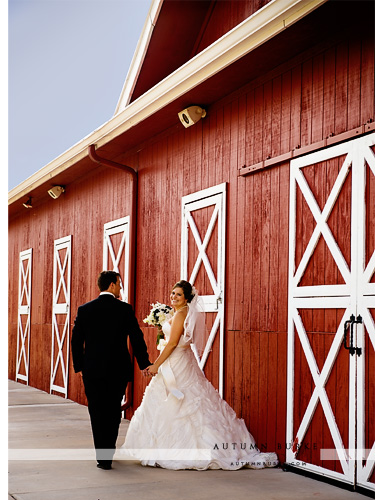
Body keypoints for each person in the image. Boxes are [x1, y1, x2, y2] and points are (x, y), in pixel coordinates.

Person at [121, 280, 278, 470]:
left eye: (178, 294)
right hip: (179, 360)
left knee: (182, 399)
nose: (174, 297)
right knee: (177, 397)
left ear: (187, 298)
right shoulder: (178, 314)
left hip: (178, 362)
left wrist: (156, 365)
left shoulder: (180, 314)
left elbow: (172, 344)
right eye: (172, 293)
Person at [71, 270, 151, 470]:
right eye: (119, 283)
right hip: (117, 369)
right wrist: (144, 363)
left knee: (96, 411)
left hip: (92, 369)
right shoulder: (124, 309)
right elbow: (136, 338)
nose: (120, 287)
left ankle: (103, 458)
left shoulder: (85, 309)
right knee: (113, 410)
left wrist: (79, 366)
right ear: (113, 285)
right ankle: (109, 451)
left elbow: (76, 340)